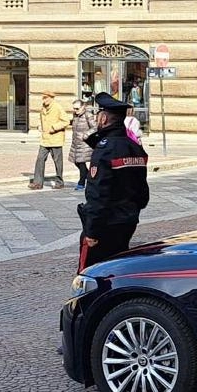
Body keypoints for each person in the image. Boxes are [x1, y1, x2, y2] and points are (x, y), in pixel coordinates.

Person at [77, 92, 150, 272]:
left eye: (98, 115)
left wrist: (91, 231)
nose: (96, 119)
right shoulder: (134, 147)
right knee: (117, 269)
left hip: (105, 224)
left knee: (90, 273)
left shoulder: (105, 149)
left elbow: (97, 194)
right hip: (127, 221)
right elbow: (142, 193)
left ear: (103, 118)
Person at [29, 91, 68, 190]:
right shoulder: (43, 108)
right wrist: (39, 125)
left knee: (57, 162)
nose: (44, 100)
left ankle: (59, 182)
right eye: (43, 98)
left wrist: (54, 127)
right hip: (45, 139)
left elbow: (66, 121)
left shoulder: (58, 107)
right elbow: (40, 119)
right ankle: (37, 183)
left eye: (46, 98)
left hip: (56, 139)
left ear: (51, 98)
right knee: (40, 159)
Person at [68, 99, 97, 191]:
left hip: (85, 143)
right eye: (74, 109)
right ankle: (90, 177)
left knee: (81, 162)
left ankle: (81, 183)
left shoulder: (88, 115)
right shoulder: (75, 116)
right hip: (76, 142)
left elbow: (95, 127)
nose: (75, 110)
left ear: (83, 107)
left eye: (77, 108)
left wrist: (86, 134)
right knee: (76, 161)